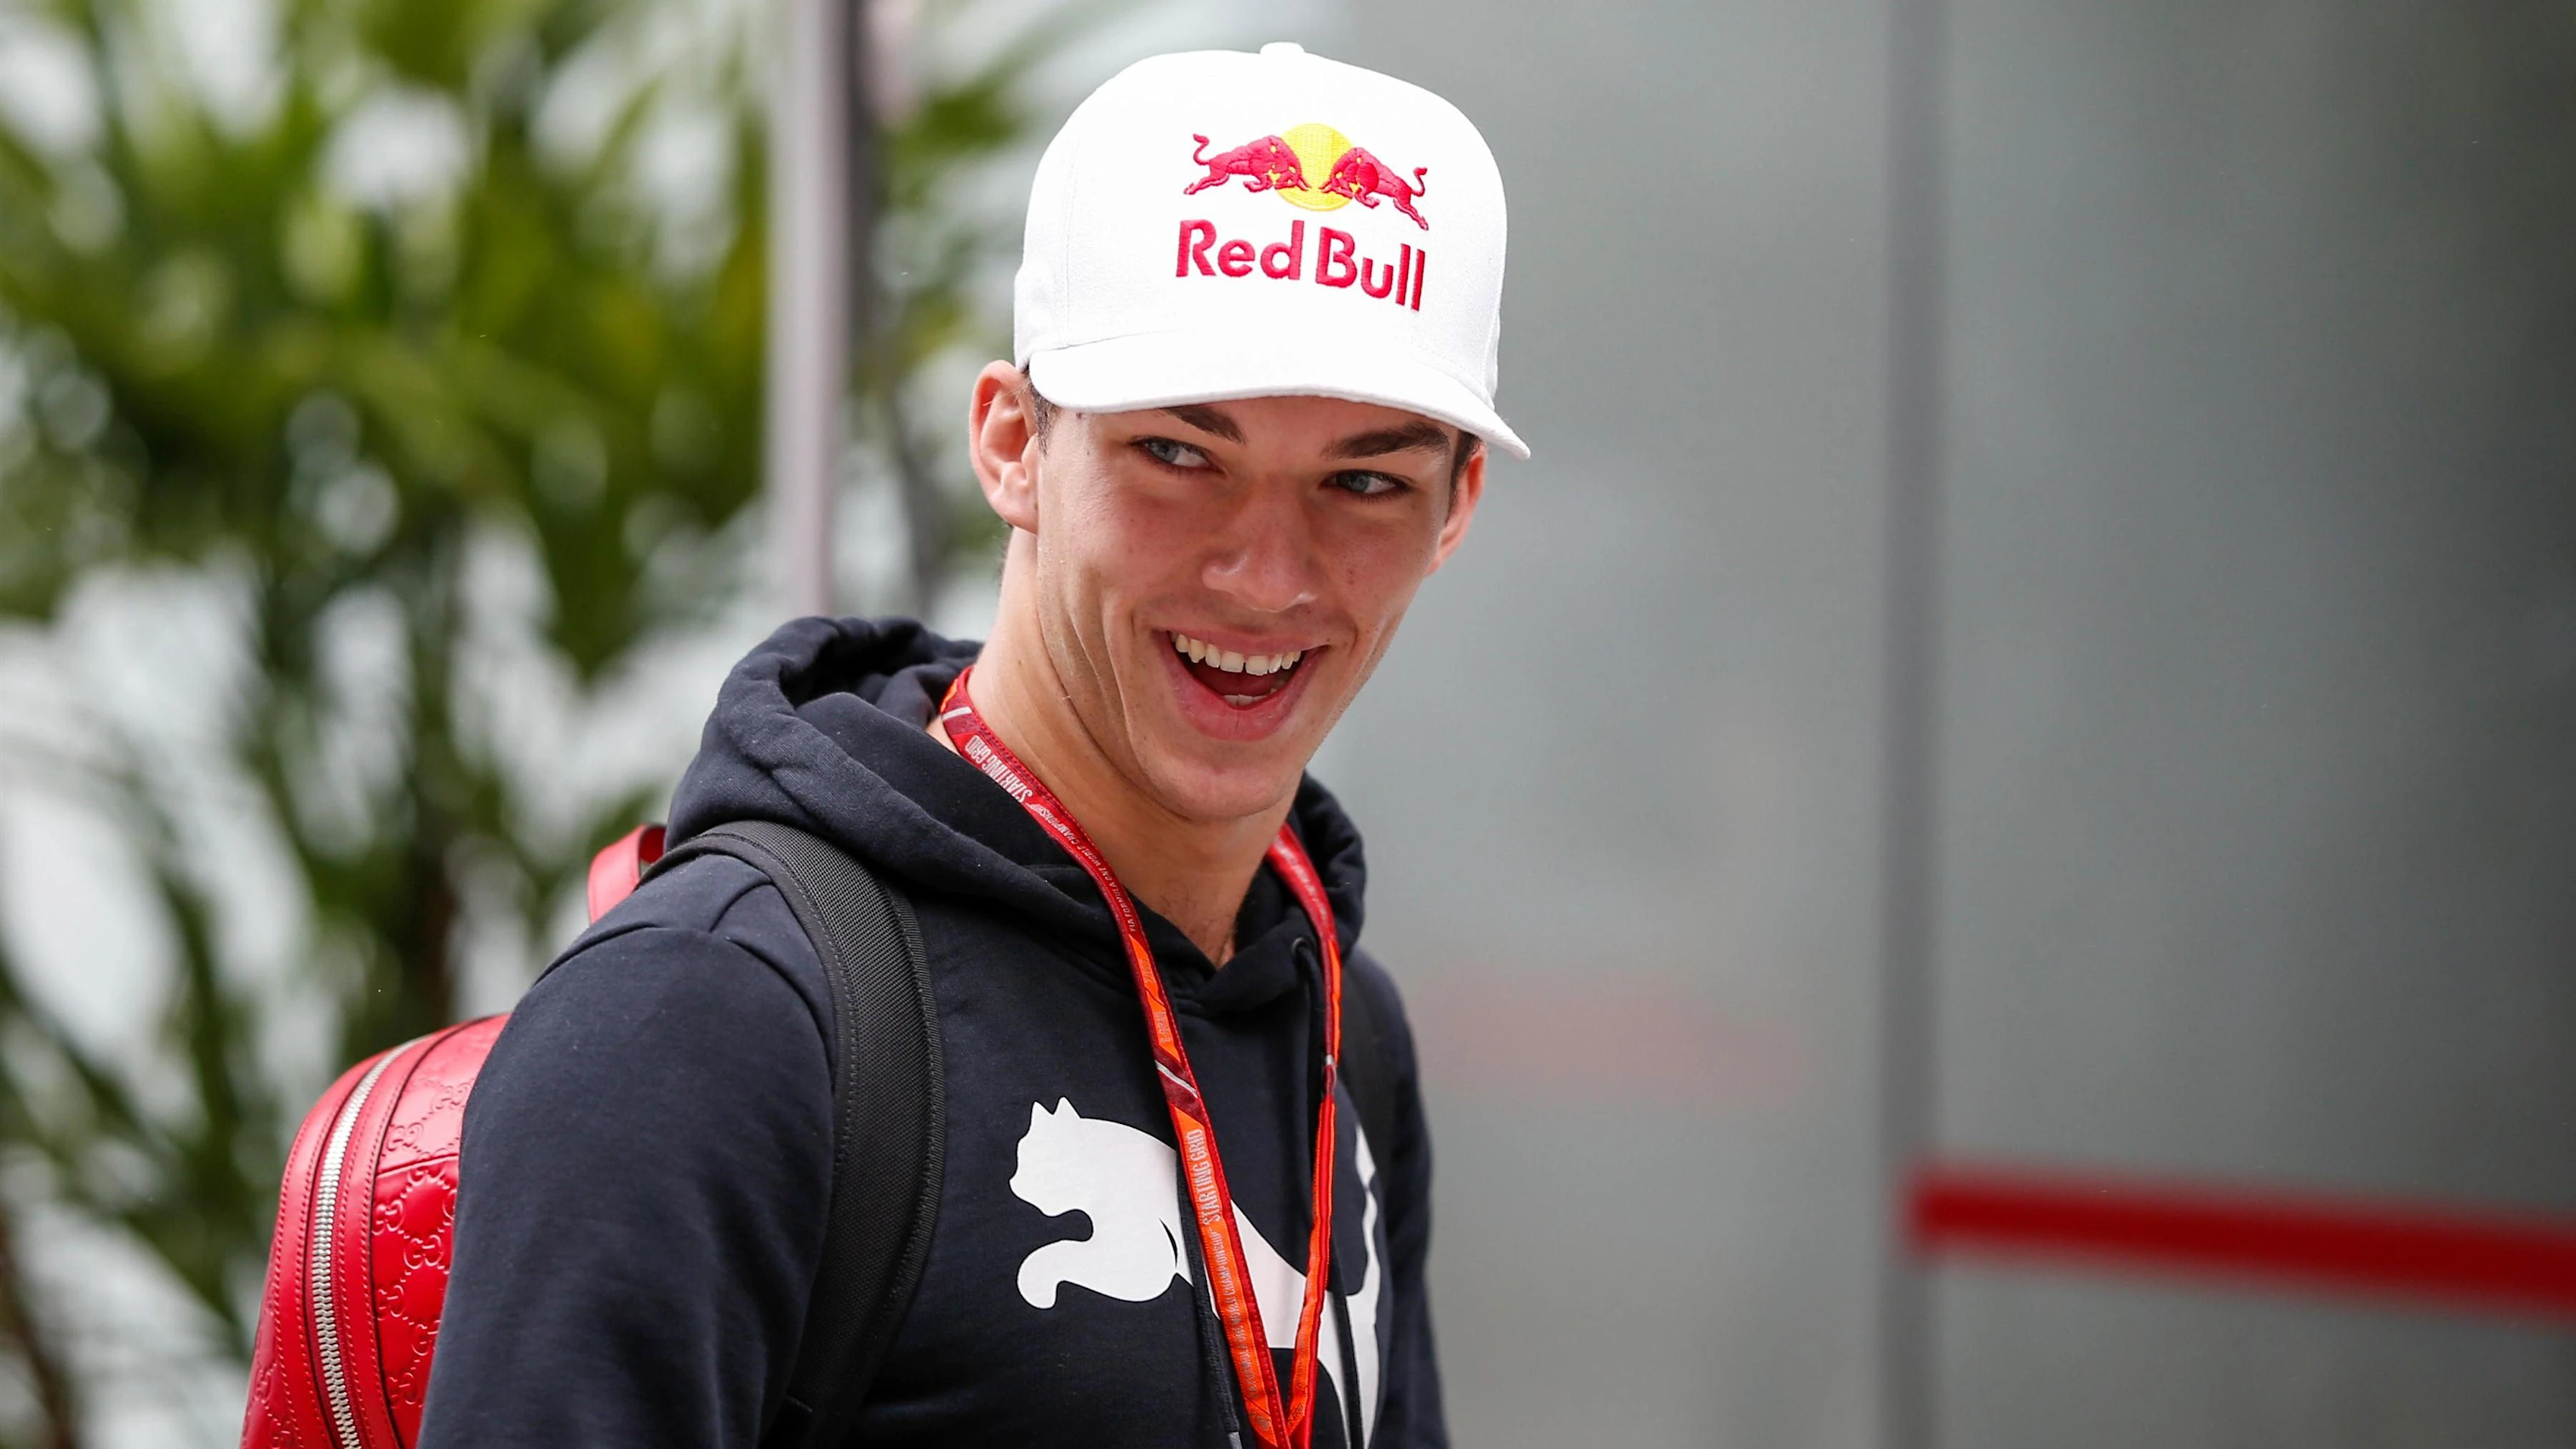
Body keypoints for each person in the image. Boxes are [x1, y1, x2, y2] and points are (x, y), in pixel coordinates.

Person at [417, 39, 1525, 1449]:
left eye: (1363, 481)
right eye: (1179, 456)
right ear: (1011, 446)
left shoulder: (1339, 1020)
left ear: (1457, 508)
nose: (1267, 574)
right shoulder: (720, 1017)